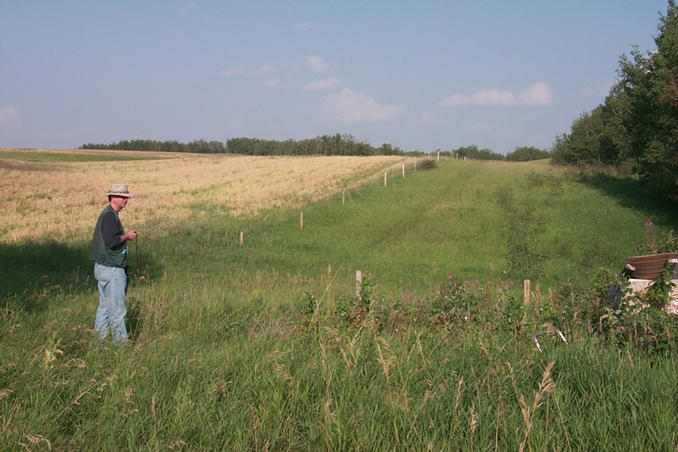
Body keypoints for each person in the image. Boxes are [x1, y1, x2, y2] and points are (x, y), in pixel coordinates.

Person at [89, 183, 137, 343]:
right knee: (117, 310)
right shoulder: (110, 216)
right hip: (112, 269)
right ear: (113, 198)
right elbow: (112, 241)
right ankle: (121, 347)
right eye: (123, 197)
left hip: (102, 267)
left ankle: (99, 344)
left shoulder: (107, 214)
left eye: (126, 198)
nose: (126, 201)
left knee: (104, 307)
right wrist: (128, 236)